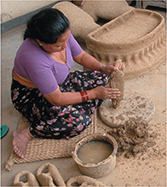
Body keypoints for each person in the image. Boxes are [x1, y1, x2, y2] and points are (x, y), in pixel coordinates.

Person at [11, 8, 124, 159]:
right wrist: (93, 94)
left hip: (60, 82)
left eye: (66, 41)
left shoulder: (62, 34)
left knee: (102, 78)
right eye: (59, 46)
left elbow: (81, 56)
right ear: (40, 41)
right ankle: (27, 133)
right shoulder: (33, 58)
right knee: (78, 122)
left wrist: (103, 67)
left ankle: (77, 105)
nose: (65, 46)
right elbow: (55, 98)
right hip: (32, 95)